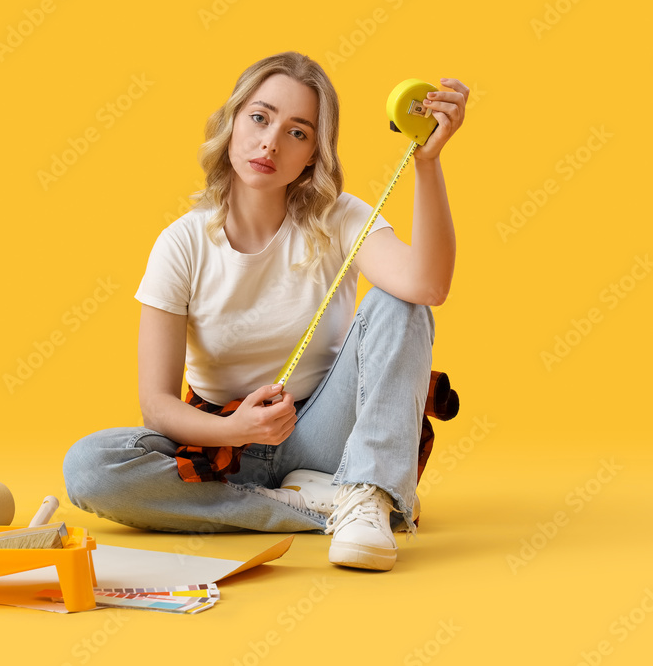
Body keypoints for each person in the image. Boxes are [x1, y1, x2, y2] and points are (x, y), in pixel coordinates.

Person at [62, 51, 466, 571]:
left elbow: (428, 286)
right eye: (259, 117)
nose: (271, 142)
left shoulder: (339, 217)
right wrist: (238, 431)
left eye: (298, 132)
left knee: (399, 302)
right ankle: (327, 506)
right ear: (231, 123)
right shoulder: (181, 243)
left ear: (314, 156)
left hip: (325, 432)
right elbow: (156, 406)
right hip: (224, 449)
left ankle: (363, 489)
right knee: (91, 467)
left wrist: (427, 163)